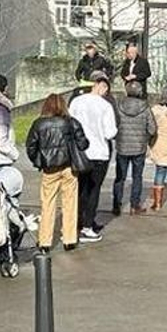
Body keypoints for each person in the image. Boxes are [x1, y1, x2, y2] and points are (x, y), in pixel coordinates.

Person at [25, 92, 87, 252]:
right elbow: (83, 143)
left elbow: (30, 147)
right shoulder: (71, 122)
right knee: (70, 203)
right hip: (69, 168)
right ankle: (69, 239)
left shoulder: (39, 124)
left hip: (49, 169)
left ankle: (45, 241)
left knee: (47, 204)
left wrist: (39, 161)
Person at [69, 73, 118, 242]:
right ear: (101, 86)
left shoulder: (76, 101)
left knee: (79, 188)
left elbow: (70, 123)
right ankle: (88, 227)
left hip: (80, 152)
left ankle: (76, 222)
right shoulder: (105, 106)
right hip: (99, 152)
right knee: (93, 190)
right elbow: (110, 132)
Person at [111, 79, 157, 216]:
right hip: (139, 147)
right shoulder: (145, 107)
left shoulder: (119, 105)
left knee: (120, 177)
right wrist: (147, 138)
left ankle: (116, 205)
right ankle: (134, 205)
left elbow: (113, 125)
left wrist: (118, 137)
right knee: (137, 177)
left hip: (122, 146)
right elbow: (152, 128)